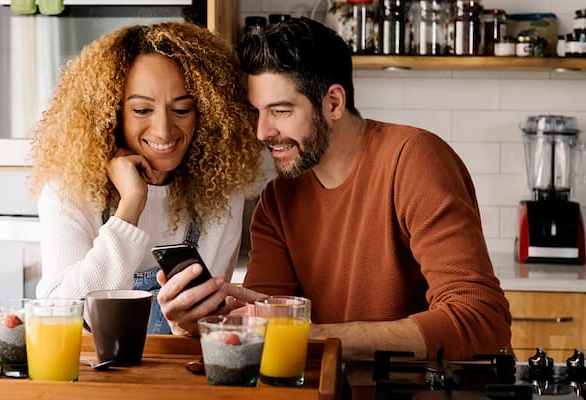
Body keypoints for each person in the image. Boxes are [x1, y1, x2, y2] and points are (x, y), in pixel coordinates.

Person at [157, 17, 512, 360]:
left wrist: (310, 336)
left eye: (280, 111)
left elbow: (480, 320)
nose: (262, 132)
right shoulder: (278, 202)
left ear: (334, 103)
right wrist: (193, 326)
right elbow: (263, 337)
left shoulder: (413, 159)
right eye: (256, 113)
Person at [30, 22, 262, 334]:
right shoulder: (68, 189)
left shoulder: (221, 194)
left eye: (181, 110)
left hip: (175, 376)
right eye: (142, 110)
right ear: (112, 113)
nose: (164, 130)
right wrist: (131, 205)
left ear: (205, 114)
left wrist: (189, 324)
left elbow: (204, 326)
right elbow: (60, 316)